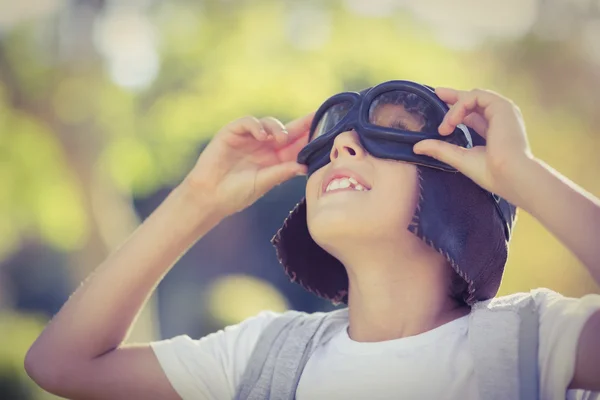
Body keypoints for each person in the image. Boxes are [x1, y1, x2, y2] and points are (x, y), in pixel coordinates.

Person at [24, 81, 600, 400]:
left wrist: (521, 174)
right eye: (334, 139)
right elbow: (62, 363)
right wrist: (198, 200)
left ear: (464, 194)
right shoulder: (266, 358)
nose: (343, 145)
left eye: (391, 135)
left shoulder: (534, 342)